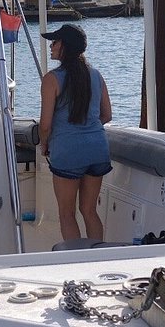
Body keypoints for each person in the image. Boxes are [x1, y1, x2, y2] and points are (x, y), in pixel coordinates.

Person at [38, 23, 112, 241]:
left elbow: (45, 125)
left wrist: (45, 144)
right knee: (89, 211)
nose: (51, 46)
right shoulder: (96, 75)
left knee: (66, 214)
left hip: (68, 152)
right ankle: (98, 257)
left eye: (55, 41)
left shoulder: (52, 79)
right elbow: (107, 115)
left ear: (65, 46)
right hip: (98, 149)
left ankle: (77, 261)